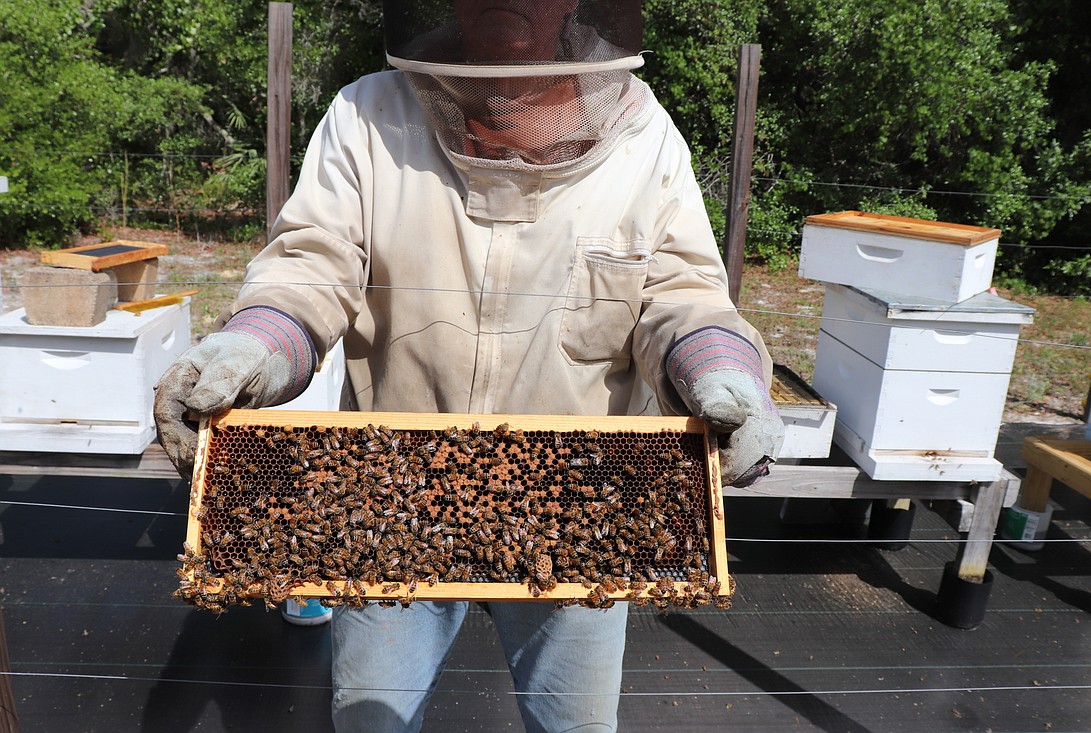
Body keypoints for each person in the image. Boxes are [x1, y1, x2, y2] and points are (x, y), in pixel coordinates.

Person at [153, 1, 784, 730]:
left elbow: (681, 294)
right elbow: (311, 269)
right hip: (392, 499)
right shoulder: (367, 119)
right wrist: (254, 344)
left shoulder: (645, 140)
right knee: (370, 722)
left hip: (580, 507)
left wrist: (721, 369)